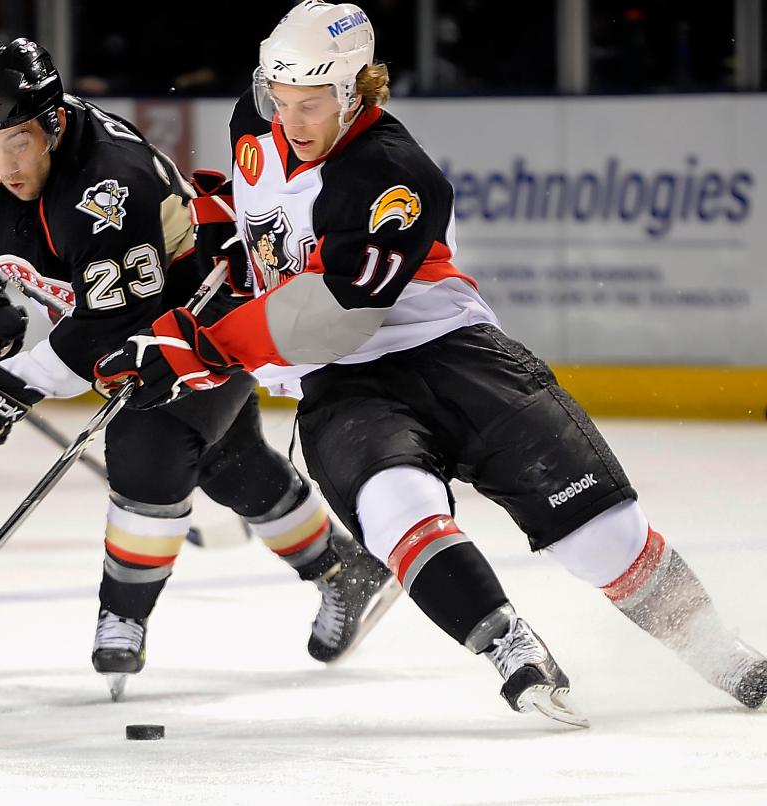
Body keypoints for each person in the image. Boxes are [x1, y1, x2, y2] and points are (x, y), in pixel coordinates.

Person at [95, 0, 767, 722]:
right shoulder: (256, 122)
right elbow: (266, 218)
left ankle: (718, 651)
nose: (291, 119)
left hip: (450, 353)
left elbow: (333, 313)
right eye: (280, 99)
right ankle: (508, 642)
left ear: (357, 89)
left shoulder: (396, 175)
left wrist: (201, 343)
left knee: (600, 538)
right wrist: (231, 235)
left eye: (312, 102)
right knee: (392, 508)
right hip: (346, 387)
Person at [0, 38, 399, 699]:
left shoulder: (108, 187)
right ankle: (342, 569)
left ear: (54, 124)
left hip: (199, 308)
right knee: (226, 460)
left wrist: (3, 390)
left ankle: (124, 614)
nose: (3, 165)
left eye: (19, 144)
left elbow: (107, 329)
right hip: (119, 307)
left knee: (149, 441)